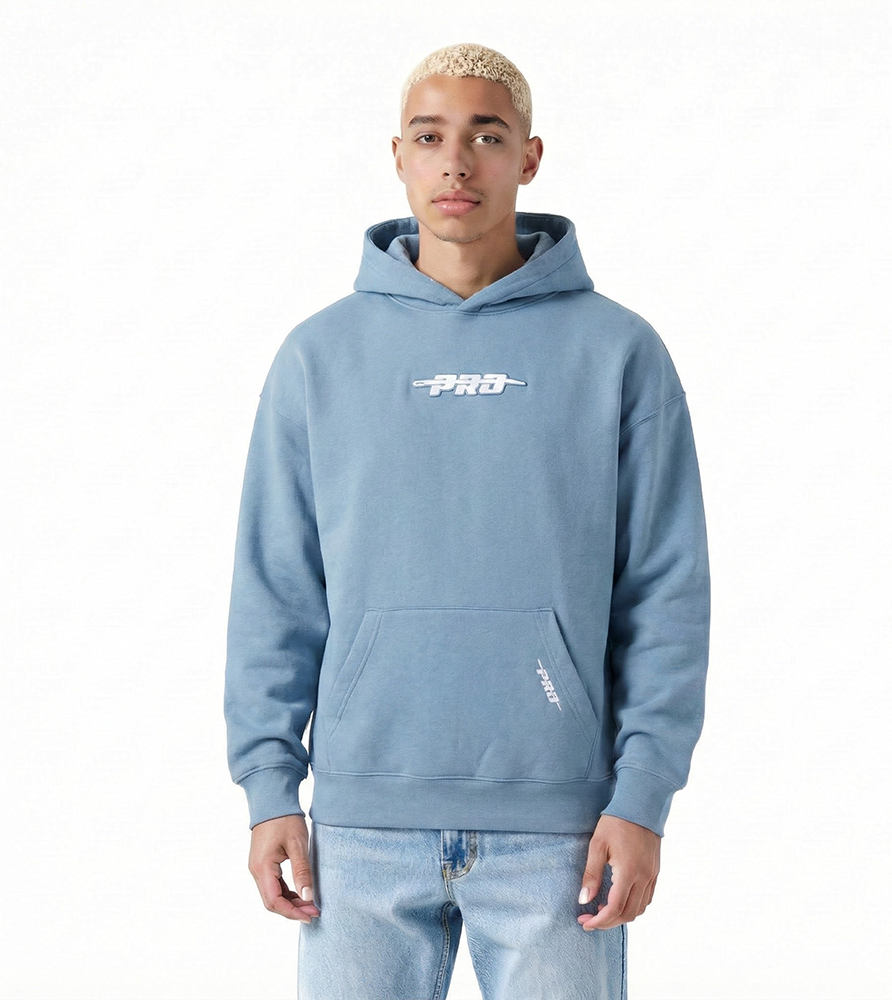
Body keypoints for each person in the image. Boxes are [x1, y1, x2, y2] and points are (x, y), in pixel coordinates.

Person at [223, 41, 711, 1000]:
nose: (456, 163)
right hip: (358, 832)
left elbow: (665, 590)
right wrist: (268, 786)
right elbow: (276, 584)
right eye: (429, 137)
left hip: (562, 833)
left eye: (486, 137)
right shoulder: (320, 356)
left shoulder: (618, 351)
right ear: (397, 156)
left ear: (529, 157)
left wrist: (643, 798)